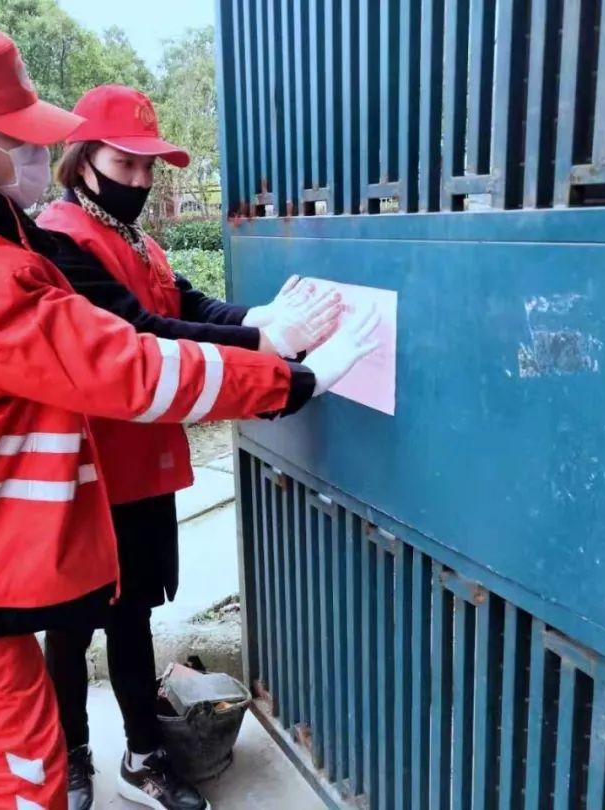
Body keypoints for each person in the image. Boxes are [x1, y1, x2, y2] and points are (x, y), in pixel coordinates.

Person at [0, 24, 382, 810]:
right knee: (19, 776)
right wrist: (290, 380)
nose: (34, 157)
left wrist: (257, 329)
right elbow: (127, 363)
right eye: (19, 140)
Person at [37, 85, 364, 810]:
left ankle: (144, 755)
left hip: (142, 466)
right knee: (68, 624)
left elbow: (186, 308)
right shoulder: (55, 239)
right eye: (127, 164)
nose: (142, 182)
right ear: (83, 159)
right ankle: (71, 753)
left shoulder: (136, 242)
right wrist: (264, 344)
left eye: (151, 167)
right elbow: (135, 331)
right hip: (82, 470)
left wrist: (262, 317)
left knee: (132, 620)